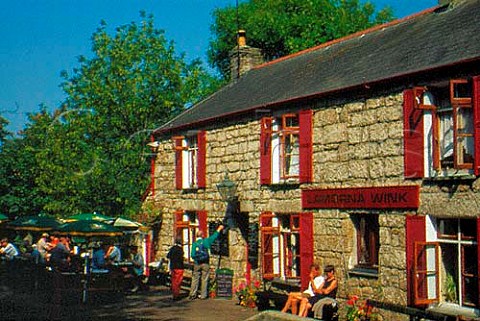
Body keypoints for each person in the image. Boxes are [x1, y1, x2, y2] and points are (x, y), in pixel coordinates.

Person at [188, 224, 224, 300]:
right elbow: (214, 237)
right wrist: (219, 229)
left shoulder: (194, 244)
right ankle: (203, 295)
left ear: (196, 236)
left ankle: (192, 294)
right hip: (205, 263)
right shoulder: (206, 241)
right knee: (204, 278)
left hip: (197, 263)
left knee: (195, 278)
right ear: (202, 235)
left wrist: (196, 258)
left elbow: (192, 255)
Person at [167, 236, 185, 300]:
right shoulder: (180, 249)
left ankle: (174, 294)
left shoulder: (172, 248)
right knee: (178, 281)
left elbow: (168, 256)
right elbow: (181, 258)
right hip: (179, 267)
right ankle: (176, 295)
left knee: (174, 281)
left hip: (173, 266)